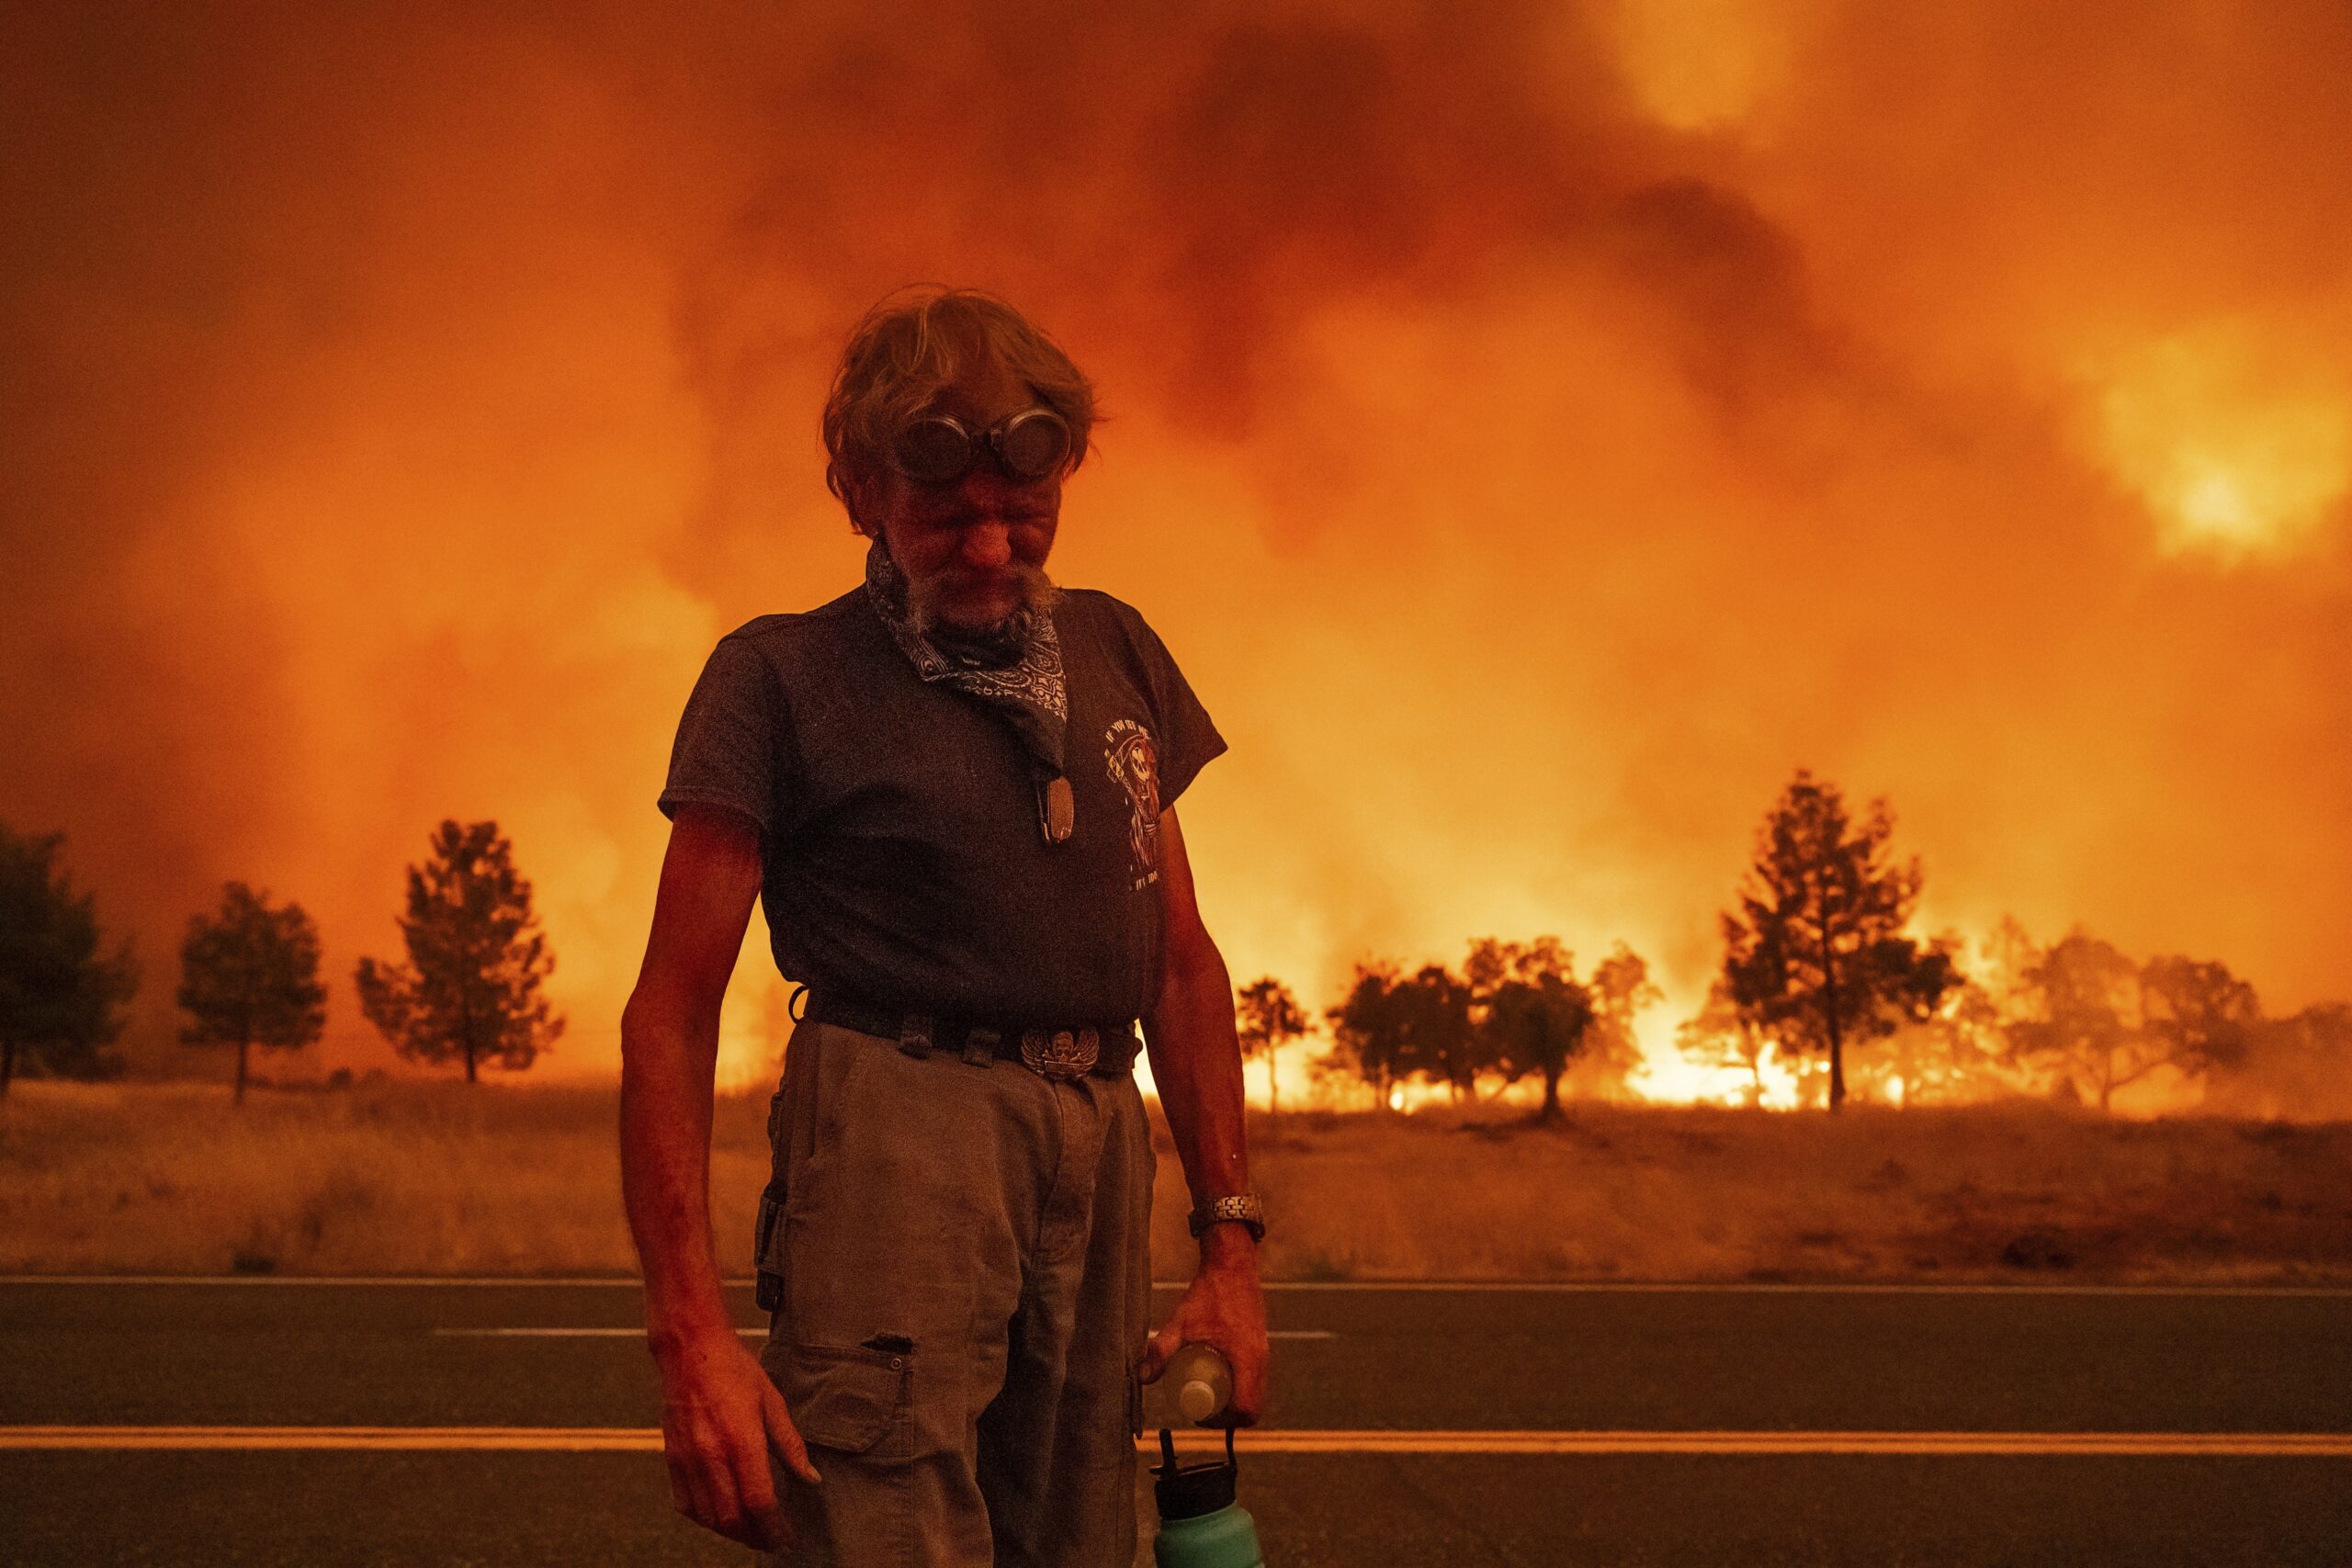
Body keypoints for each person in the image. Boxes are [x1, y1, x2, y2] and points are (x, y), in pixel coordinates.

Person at [619, 285, 1271, 1566]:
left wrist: (1229, 1248)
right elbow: (672, 1008)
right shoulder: (778, 679)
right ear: (861, 493)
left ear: (1065, 473)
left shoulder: (1116, 648)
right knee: (890, 1530)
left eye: (1022, 510)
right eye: (946, 515)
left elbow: (1180, 962)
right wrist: (689, 1335)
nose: (988, 548)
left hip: (1099, 1135)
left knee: (1085, 1538)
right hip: (896, 1139)